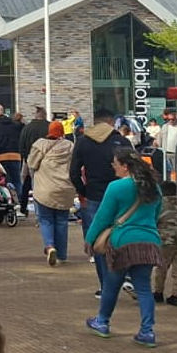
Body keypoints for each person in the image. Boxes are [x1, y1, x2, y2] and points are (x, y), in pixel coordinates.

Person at [85, 148, 164, 347]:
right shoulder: (154, 187)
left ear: (125, 166)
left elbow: (102, 217)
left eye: (115, 164)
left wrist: (90, 239)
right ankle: (147, 331)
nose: (114, 168)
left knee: (111, 285)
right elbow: (156, 216)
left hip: (122, 241)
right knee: (144, 288)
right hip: (149, 241)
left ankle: (102, 321)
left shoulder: (116, 187)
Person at [70, 108, 132, 291]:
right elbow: (134, 168)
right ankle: (126, 275)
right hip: (121, 196)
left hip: (94, 196)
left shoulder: (83, 142)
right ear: (112, 122)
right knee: (122, 236)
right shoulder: (122, 141)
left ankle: (106, 286)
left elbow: (74, 172)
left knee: (98, 241)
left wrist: (83, 191)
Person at [26, 122, 75, 266]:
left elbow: (32, 164)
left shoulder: (40, 145)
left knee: (46, 220)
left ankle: (50, 246)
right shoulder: (70, 146)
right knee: (61, 221)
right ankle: (62, 254)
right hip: (65, 189)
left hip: (45, 189)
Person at [17, 107, 50, 214]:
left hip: (29, 161)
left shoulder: (27, 128)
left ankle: (23, 207)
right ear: (44, 115)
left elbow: (21, 146)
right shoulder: (49, 127)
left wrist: (25, 158)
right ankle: (42, 212)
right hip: (47, 162)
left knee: (27, 185)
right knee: (43, 187)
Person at [158, 111, 177, 180]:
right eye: (169, 119)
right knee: (166, 171)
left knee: (176, 170)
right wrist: (159, 148)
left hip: (176, 153)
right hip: (165, 152)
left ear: (176, 119)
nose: (170, 121)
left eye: (172, 119)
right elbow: (160, 138)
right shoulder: (164, 127)